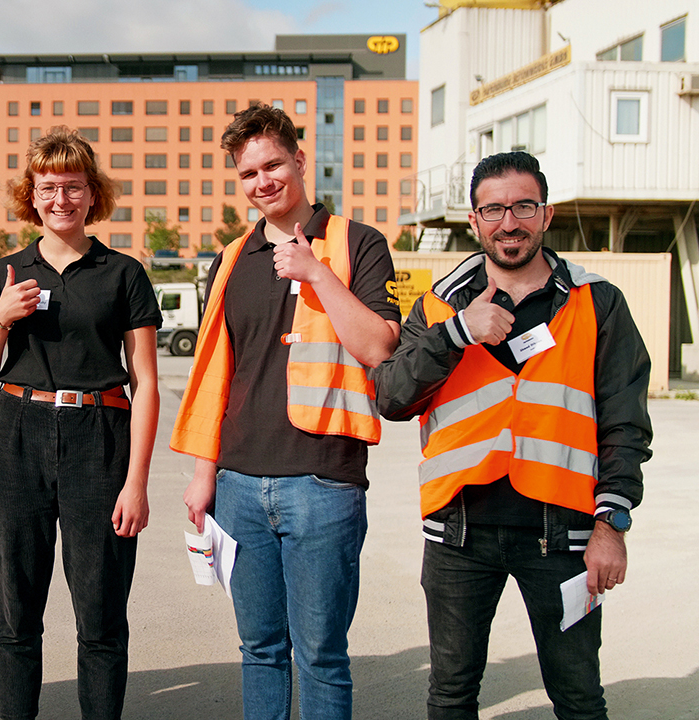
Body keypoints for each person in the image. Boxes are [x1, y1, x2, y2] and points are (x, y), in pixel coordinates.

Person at [373, 151, 651, 720]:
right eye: (493, 209)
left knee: (579, 698)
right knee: (451, 695)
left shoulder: (598, 302)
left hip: (565, 535)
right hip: (458, 534)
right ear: (473, 221)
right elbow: (391, 397)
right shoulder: (440, 304)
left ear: (546, 214)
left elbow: (624, 424)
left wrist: (611, 524)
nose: (509, 222)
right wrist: (456, 333)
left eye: (524, 206)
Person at [172, 103, 400, 720]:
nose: (262, 182)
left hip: (323, 479)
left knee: (321, 655)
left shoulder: (357, 243)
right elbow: (218, 371)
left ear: (300, 160)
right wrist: (204, 473)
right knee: (260, 650)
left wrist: (317, 274)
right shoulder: (231, 258)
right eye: (248, 173)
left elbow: (380, 347)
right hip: (238, 483)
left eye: (273, 165)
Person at [0, 126, 161, 720]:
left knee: (101, 616)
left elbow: (146, 383)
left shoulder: (123, 273)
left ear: (92, 193)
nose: (60, 199)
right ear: (31, 194)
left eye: (73, 186)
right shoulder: (4, 273)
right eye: (47, 187)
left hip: (99, 439)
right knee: (15, 613)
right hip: (16, 437)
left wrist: (136, 482)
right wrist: (0, 317)